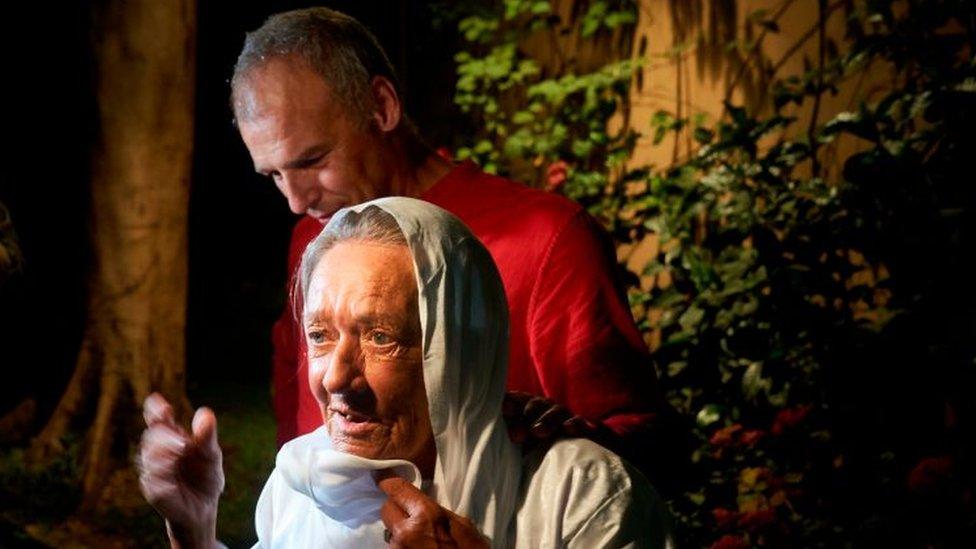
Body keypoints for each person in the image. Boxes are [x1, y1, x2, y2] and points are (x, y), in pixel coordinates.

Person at [232, 7, 683, 484]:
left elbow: (646, 454)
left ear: (381, 107)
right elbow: (298, 428)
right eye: (274, 175)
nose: (296, 200)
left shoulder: (548, 239)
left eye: (312, 160)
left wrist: (549, 445)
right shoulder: (315, 237)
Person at [138, 198, 673, 548]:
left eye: (380, 337)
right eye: (321, 335)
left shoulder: (579, 498)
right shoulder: (300, 483)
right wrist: (195, 529)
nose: (335, 378)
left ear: (462, 350)